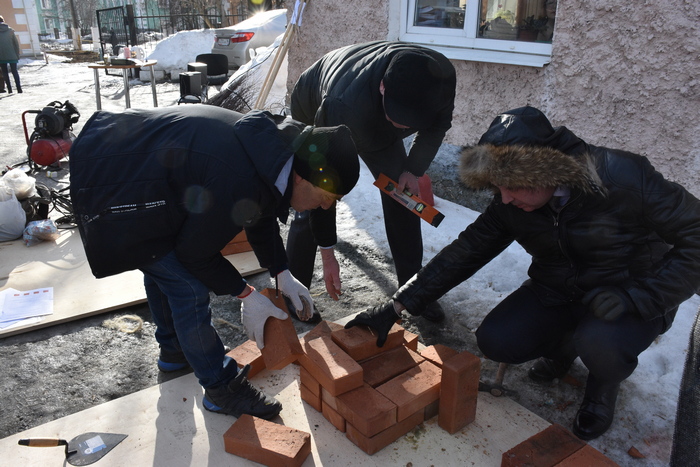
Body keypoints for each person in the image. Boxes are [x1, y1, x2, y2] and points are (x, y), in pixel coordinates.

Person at [347, 105, 700, 440]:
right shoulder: (510, 201)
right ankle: (564, 348)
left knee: (602, 344)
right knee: (497, 340)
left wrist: (639, 297)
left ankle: (602, 384)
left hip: (628, 296)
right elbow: (465, 251)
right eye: (496, 188)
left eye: (512, 186)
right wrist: (397, 305)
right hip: (558, 290)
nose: (504, 199)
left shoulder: (624, 177)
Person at [70, 105, 359, 420]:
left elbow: (258, 209)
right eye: (326, 195)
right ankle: (222, 390)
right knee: (187, 286)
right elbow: (195, 254)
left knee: (162, 267)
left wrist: (282, 272)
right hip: (112, 186)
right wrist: (246, 294)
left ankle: (174, 350)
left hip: (136, 173)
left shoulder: (275, 153)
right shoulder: (239, 175)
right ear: (303, 176)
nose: (326, 204)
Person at [287, 40, 456, 322]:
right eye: (397, 119)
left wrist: (412, 170)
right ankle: (296, 293)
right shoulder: (342, 105)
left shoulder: (438, 78)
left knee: (403, 198)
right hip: (317, 103)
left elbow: (438, 125)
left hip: (372, 121)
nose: (403, 128)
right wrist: (328, 254)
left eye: (410, 124)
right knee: (312, 198)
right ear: (382, 88)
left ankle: (414, 290)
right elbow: (322, 180)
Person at [0, 15, 22, 93]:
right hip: (12, 55)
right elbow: (16, 44)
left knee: (5, 73)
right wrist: (17, 54)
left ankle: (10, 90)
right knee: (14, 72)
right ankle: (19, 89)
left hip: (1, 56)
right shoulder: (10, 31)